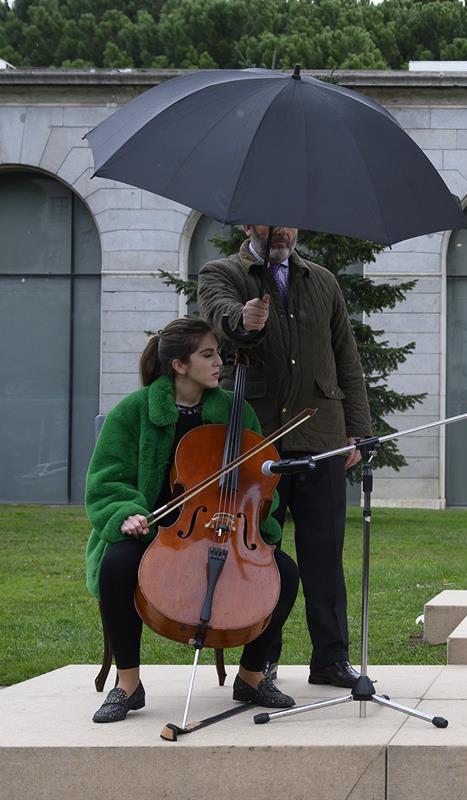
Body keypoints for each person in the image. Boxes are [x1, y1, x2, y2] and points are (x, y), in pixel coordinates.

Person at [85, 318, 299, 723]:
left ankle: (252, 677)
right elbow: (106, 478)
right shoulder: (133, 412)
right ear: (179, 366)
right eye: (208, 354)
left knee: (284, 573)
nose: (219, 362)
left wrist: (262, 485)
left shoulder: (236, 411)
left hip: (227, 526)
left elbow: (257, 478)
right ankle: (128, 683)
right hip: (156, 526)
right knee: (115, 566)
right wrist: (127, 511)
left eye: (218, 352)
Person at [198, 224, 370, 689]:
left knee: (324, 556)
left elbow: (345, 356)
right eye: (271, 218)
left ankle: (330, 659)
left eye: (291, 219)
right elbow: (220, 318)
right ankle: (261, 665)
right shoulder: (222, 273)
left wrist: (358, 428)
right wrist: (243, 320)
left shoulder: (323, 281)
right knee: (263, 555)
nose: (283, 229)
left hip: (322, 435)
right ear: (246, 224)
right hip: (258, 439)